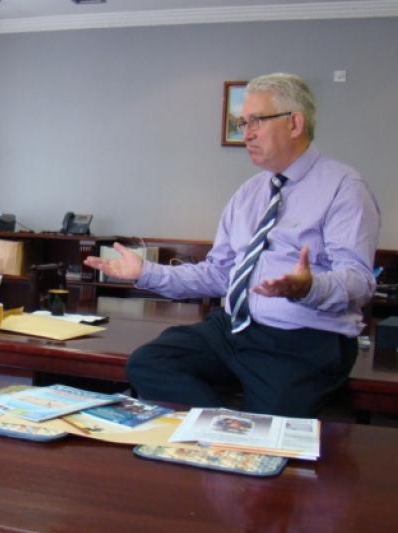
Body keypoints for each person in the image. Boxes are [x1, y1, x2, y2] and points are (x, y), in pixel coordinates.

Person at [85, 73, 380, 417]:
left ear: (295, 123)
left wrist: (309, 287)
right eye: (243, 123)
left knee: (270, 433)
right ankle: (227, 430)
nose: (246, 133)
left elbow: (359, 281)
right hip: (234, 326)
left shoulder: (344, 187)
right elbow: (219, 273)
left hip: (302, 339)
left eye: (256, 121)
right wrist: (145, 272)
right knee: (150, 362)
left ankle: (242, 437)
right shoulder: (249, 193)